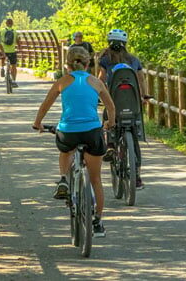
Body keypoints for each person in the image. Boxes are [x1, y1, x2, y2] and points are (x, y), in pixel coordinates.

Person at [33, 46, 116, 238]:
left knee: (66, 149)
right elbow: (111, 107)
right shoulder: (96, 82)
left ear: (67, 65)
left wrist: (38, 123)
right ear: (88, 64)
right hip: (92, 132)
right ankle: (97, 222)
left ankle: (63, 179)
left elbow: (45, 105)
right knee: (96, 180)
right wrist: (109, 124)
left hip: (68, 131)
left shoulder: (62, 82)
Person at [97, 28, 150, 190]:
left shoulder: (105, 60)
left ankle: (111, 145)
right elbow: (141, 80)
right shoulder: (134, 60)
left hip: (114, 101)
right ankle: (137, 176)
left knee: (108, 116)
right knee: (134, 137)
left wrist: (99, 97)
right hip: (132, 103)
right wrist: (145, 96)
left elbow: (100, 79)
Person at [0, 18, 19, 87]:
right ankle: (13, 80)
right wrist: (20, 48)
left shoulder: (2, 30)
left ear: (6, 23)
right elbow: (18, 41)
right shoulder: (14, 31)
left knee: (2, 58)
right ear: (12, 24)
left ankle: (2, 68)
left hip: (3, 50)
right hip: (12, 51)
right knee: (13, 65)